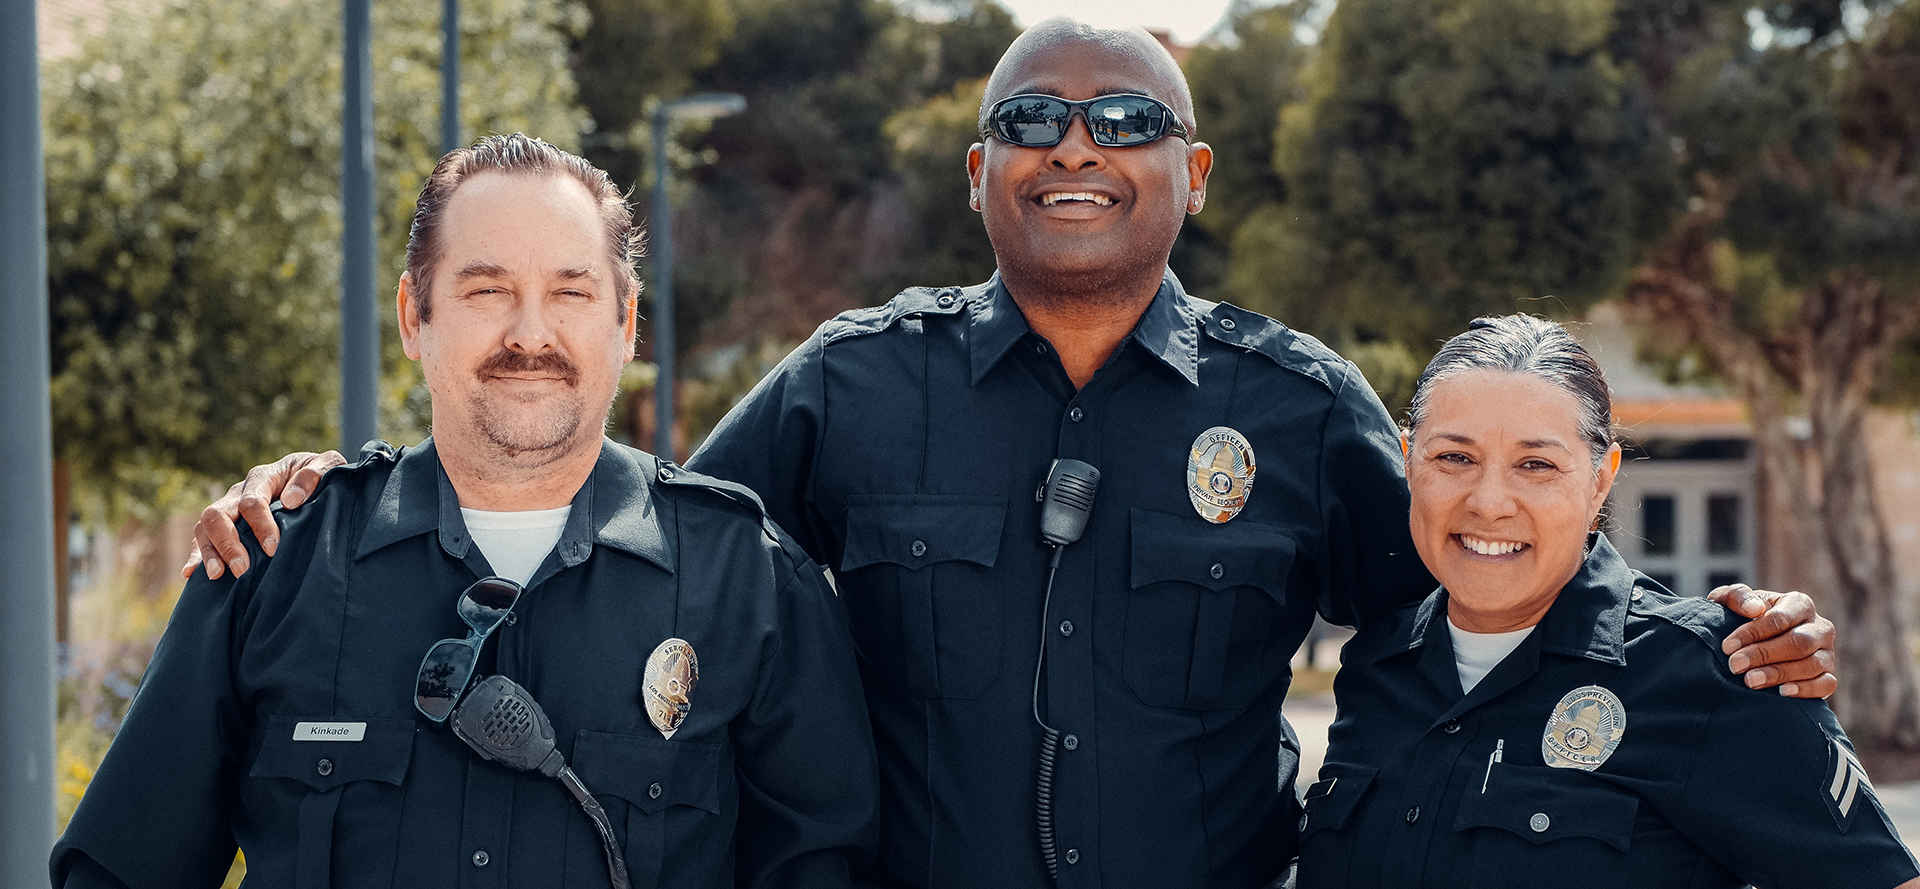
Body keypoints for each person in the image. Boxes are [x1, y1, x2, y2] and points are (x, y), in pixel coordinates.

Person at [181, 22, 1838, 888]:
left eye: (1125, 120)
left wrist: (1706, 639)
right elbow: (625, 528)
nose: (1077, 146)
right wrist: (352, 491)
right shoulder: (852, 384)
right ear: (978, 169)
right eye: (1035, 118)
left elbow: (1496, 566)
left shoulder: (1292, 404)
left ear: (1191, 167)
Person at [55, 134, 877, 889]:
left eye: (571, 292)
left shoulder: (752, 584)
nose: (531, 332)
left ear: (626, 325)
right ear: (416, 317)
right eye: (487, 289)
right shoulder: (273, 563)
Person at [1296, 315, 1918, 888]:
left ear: (1600, 481)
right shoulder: (1378, 666)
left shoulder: (1718, 672)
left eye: (1536, 465)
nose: (1489, 501)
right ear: (1408, 464)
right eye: (1454, 457)